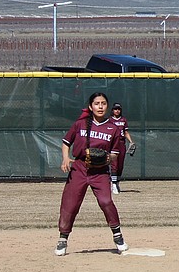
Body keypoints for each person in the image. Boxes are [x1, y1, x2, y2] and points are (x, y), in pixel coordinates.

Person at [54, 92, 129, 256]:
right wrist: (66, 158)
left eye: (103, 103)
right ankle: (63, 238)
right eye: (97, 103)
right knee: (70, 204)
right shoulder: (80, 124)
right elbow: (66, 142)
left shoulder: (113, 128)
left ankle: (118, 236)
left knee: (106, 201)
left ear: (107, 106)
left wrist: (106, 158)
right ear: (90, 107)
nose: (100, 106)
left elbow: (115, 153)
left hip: (100, 170)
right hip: (79, 168)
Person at [107, 102, 136, 194]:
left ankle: (117, 182)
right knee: (114, 164)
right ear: (112, 110)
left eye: (118, 109)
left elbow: (126, 132)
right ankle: (113, 184)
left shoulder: (123, 120)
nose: (117, 110)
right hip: (113, 144)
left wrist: (131, 141)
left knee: (120, 165)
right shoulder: (109, 120)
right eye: (115, 109)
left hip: (121, 143)